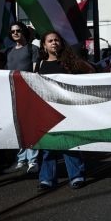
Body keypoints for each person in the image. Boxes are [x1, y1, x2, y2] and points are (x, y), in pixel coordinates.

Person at [35, 31, 95, 190]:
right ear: (44, 45)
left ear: (61, 43)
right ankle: (46, 179)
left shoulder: (70, 62)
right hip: (47, 111)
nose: (54, 43)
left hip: (69, 110)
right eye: (50, 41)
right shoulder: (40, 64)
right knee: (47, 147)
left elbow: (91, 72)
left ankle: (76, 176)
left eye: (56, 40)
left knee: (69, 143)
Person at [5, 22, 40, 175]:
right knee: (18, 127)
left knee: (31, 127)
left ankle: (33, 160)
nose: (15, 33)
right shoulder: (9, 51)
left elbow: (35, 71)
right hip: (14, 93)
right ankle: (21, 159)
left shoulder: (33, 49)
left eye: (18, 30)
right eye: (13, 31)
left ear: (24, 31)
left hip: (29, 93)